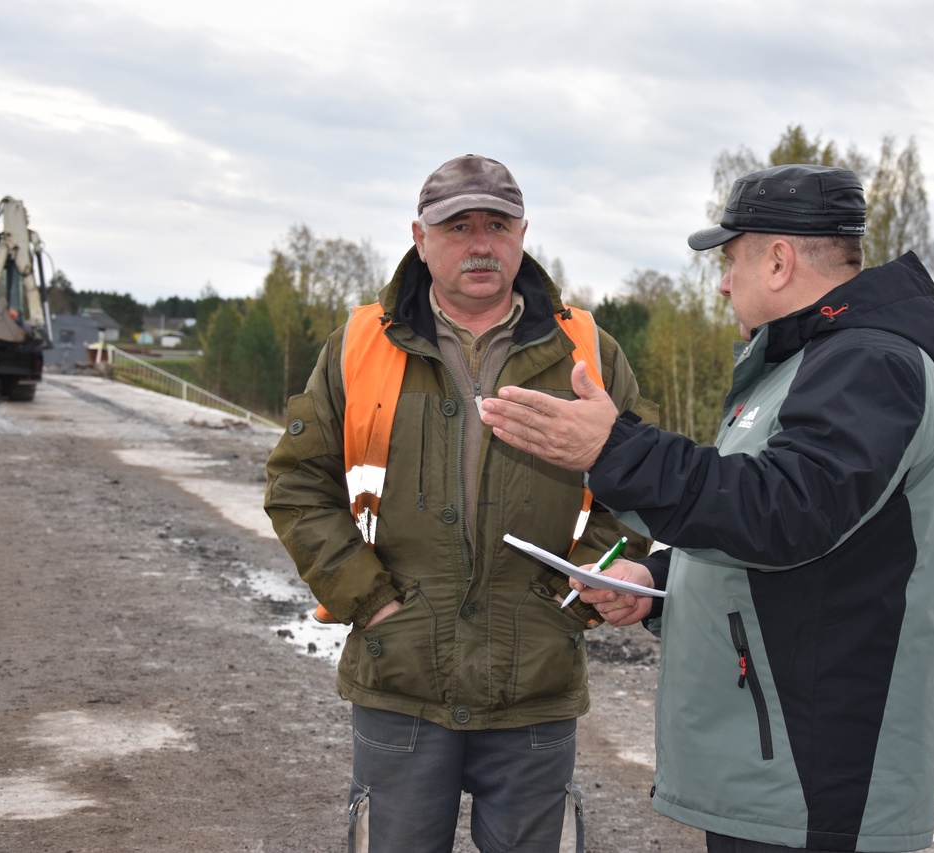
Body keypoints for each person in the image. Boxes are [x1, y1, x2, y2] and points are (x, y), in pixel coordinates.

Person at [481, 163, 934, 853]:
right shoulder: (806, 366)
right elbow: (768, 522)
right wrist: (658, 582)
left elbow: (787, 511)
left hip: (819, 778)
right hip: (775, 772)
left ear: (778, 258)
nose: (723, 280)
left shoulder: (869, 365)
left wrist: (615, 451)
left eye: (731, 259)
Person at [264, 154, 650, 853]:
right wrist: (369, 598)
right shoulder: (358, 346)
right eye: (458, 226)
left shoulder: (587, 349)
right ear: (420, 236)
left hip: (535, 672)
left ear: (523, 233)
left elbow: (639, 488)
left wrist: (596, 581)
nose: (480, 243)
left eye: (497, 225)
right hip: (401, 672)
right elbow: (297, 485)